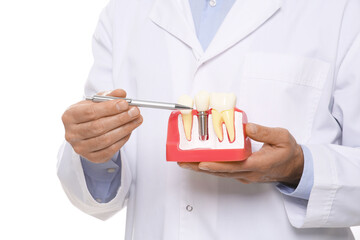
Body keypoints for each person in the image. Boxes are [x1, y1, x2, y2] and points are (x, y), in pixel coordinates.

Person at [57, 0, 360, 239]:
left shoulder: (342, 10)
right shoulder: (124, 12)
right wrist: (94, 150)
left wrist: (298, 168)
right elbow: (95, 188)